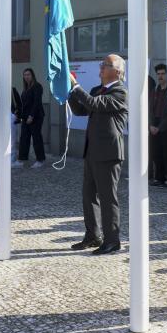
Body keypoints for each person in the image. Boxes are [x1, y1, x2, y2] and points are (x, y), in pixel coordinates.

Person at [67, 54, 128, 255]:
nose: (101, 67)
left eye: (106, 65)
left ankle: (112, 240)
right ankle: (93, 235)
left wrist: (76, 86)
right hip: (92, 151)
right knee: (88, 196)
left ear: (117, 72)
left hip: (109, 153)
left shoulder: (120, 93)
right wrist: (68, 91)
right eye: (101, 64)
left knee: (108, 198)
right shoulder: (96, 90)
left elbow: (95, 104)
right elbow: (81, 110)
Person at [150, 64, 167, 187]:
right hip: (154, 124)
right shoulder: (155, 90)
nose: (160, 76)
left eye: (163, 74)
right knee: (156, 153)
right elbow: (149, 109)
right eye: (159, 74)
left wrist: (159, 127)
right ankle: (158, 178)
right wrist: (150, 125)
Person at [14, 68, 46, 168]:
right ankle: (21, 159)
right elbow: (24, 104)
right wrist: (19, 115)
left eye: (28, 75)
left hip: (36, 116)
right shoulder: (25, 88)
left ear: (32, 76)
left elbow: (37, 103)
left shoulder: (37, 86)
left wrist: (31, 116)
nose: (26, 77)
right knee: (24, 138)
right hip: (26, 117)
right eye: (25, 75)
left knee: (36, 137)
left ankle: (40, 160)